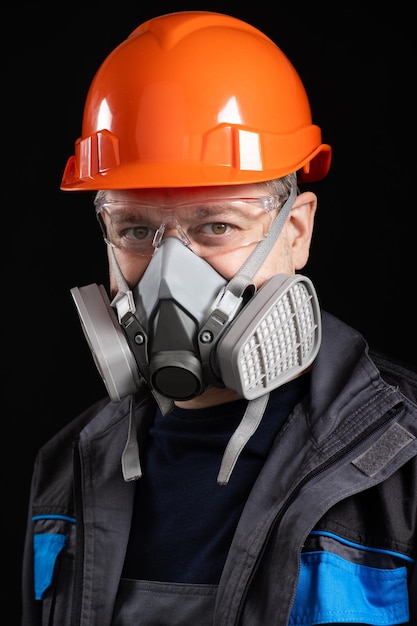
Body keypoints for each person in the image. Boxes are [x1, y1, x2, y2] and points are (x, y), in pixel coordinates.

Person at [21, 10, 417, 626]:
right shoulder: (68, 468)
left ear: (297, 230)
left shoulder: (403, 470)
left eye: (217, 226)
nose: (169, 271)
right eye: (135, 230)